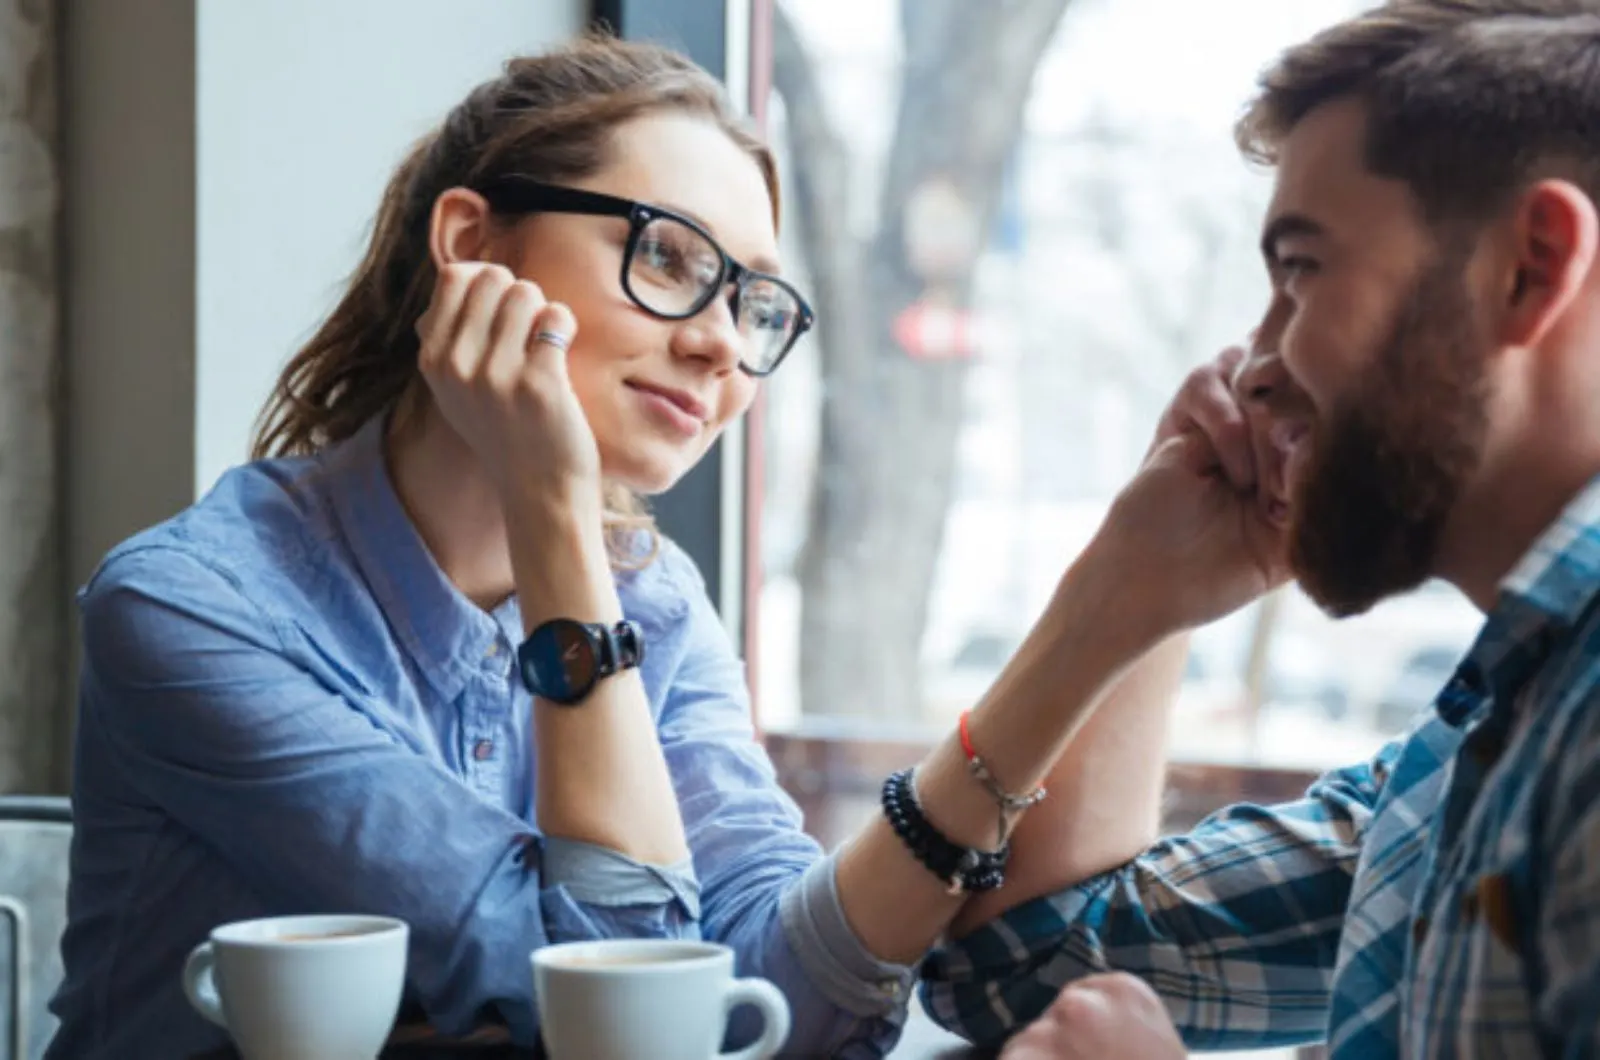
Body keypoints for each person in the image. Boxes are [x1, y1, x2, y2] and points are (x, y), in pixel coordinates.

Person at [45, 32, 1266, 1059]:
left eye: (755, 302)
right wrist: (556, 511)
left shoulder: (660, 602)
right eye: (668, 257)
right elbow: (607, 1008)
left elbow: (783, 991)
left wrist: (1103, 611)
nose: (723, 345)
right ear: (471, 247)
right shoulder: (191, 610)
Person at [919, 2, 1600, 1058]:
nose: (1253, 364)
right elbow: (1030, 962)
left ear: (1531, 266)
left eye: (1301, 271)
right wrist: (1133, 593)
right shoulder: (1482, 740)